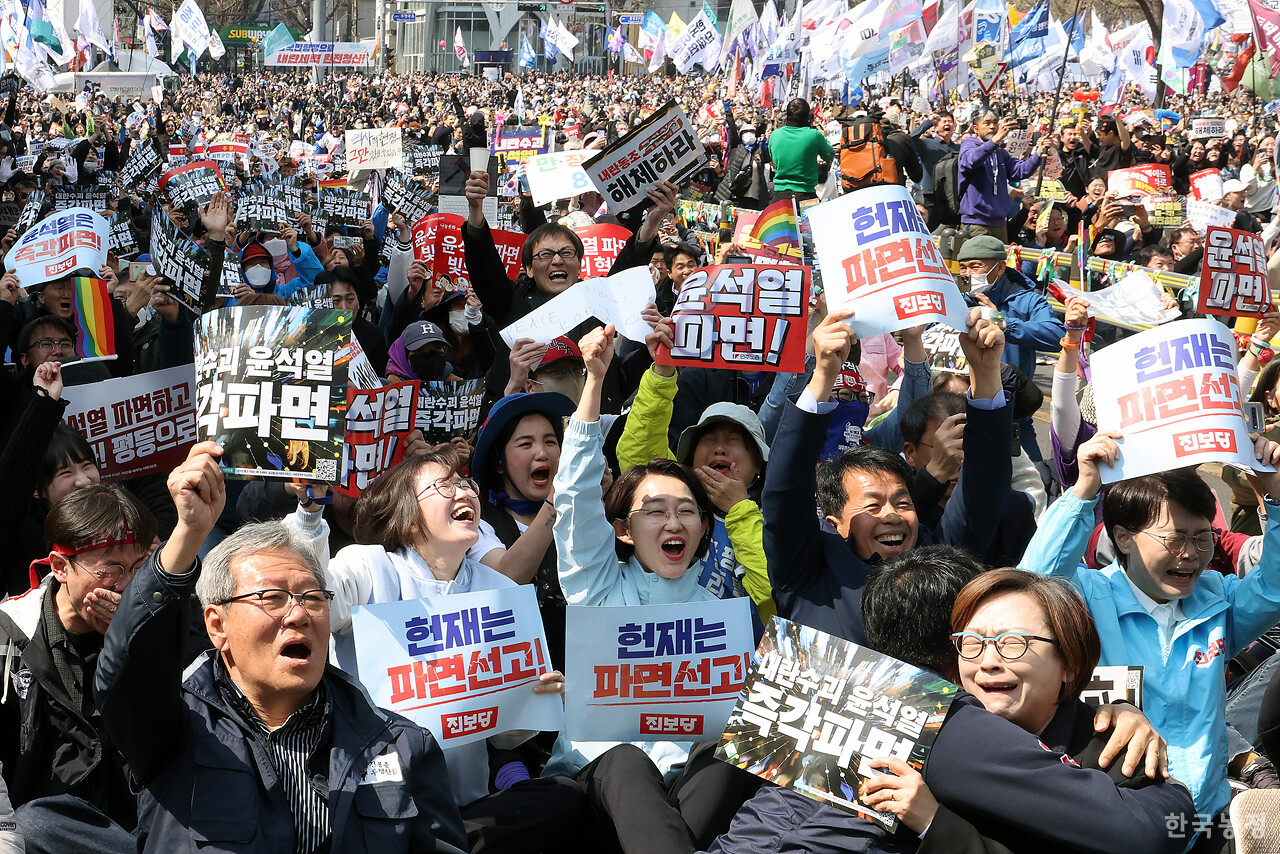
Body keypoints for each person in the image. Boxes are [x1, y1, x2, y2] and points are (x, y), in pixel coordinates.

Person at [94, 442, 471, 854]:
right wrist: (187, 534)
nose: (298, 615)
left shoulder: (401, 744)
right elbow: (123, 674)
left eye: (312, 597)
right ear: (217, 626)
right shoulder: (176, 729)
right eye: (272, 598)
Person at [705, 546, 1193, 854]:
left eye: (1013, 643)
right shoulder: (917, 730)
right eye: (971, 643)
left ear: (1070, 661)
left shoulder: (1112, 749)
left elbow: (1165, 827)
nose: (988, 662)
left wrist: (936, 825)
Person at [541, 323, 763, 852]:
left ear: (704, 529)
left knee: (731, 746)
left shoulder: (718, 609)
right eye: (656, 510)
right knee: (626, 760)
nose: (673, 523)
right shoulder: (596, 585)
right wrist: (594, 380)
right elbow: (573, 495)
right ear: (622, 529)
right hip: (601, 778)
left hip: (687, 790)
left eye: (687, 512)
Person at [1020, 431, 1280, 843]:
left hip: (1205, 816)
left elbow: (1274, 588)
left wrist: (1277, 497)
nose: (1191, 553)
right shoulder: (1086, 599)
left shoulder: (1217, 600)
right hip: (1121, 819)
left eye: (1202, 537)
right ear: (1123, 537)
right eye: (1174, 538)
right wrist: (1084, 490)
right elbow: (1030, 585)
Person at [762, 307, 1011, 645]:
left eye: (902, 502)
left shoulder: (941, 560)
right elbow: (784, 489)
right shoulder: (808, 573)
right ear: (835, 521)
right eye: (873, 505)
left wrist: (986, 375)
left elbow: (984, 488)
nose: (892, 515)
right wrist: (821, 376)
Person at [0, 484, 156, 854]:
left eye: (138, 567)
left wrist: (131, 646)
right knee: (35, 823)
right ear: (60, 567)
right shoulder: (9, 633)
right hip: (37, 832)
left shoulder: (158, 623)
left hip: (139, 824)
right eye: (111, 569)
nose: (126, 585)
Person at [957, 112, 1047, 242]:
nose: (992, 127)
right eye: (987, 123)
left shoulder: (1000, 152)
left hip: (1000, 223)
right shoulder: (969, 144)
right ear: (975, 128)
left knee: (998, 262)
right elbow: (971, 160)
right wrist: (997, 139)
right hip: (977, 223)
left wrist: (1039, 152)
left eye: (995, 122)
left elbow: (1021, 171)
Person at [766, 99, 833, 204]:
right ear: (807, 115)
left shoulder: (776, 134)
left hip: (779, 196)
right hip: (806, 196)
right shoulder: (814, 135)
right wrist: (824, 137)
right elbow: (829, 155)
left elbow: (772, 158)